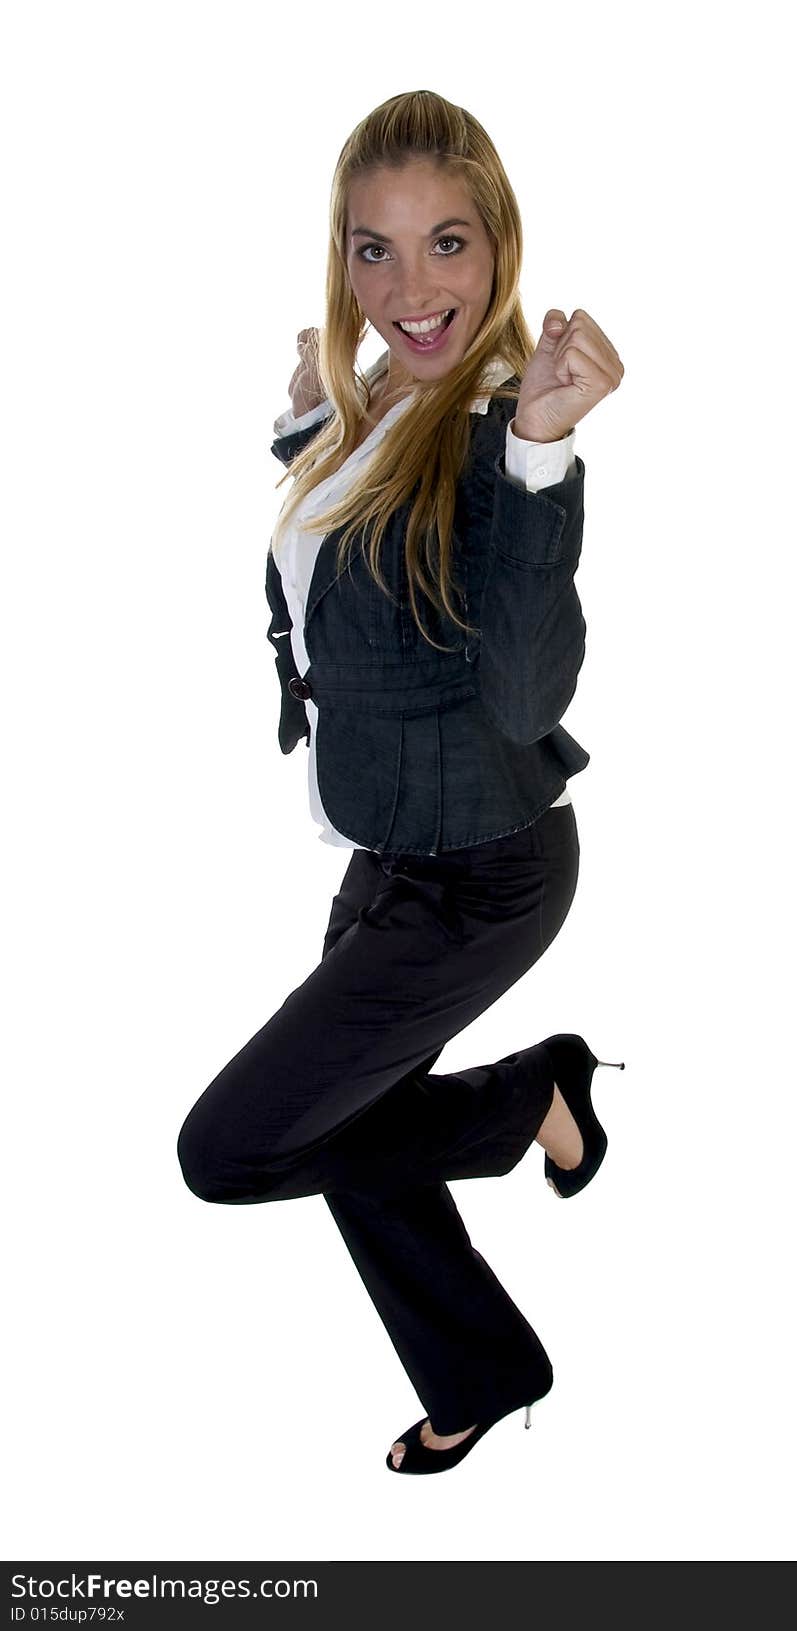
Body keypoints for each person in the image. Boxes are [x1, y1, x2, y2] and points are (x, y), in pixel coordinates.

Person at [177, 88, 624, 1476]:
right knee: (351, 1132)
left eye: (445, 244)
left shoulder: (503, 429)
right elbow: (358, 584)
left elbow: (520, 690)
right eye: (374, 251)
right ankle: (483, 1368)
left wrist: (543, 454)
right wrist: (320, 434)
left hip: (482, 875)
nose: (410, 288)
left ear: (499, 246)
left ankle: (534, 1094)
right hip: (394, 850)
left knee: (238, 1148)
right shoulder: (386, 400)